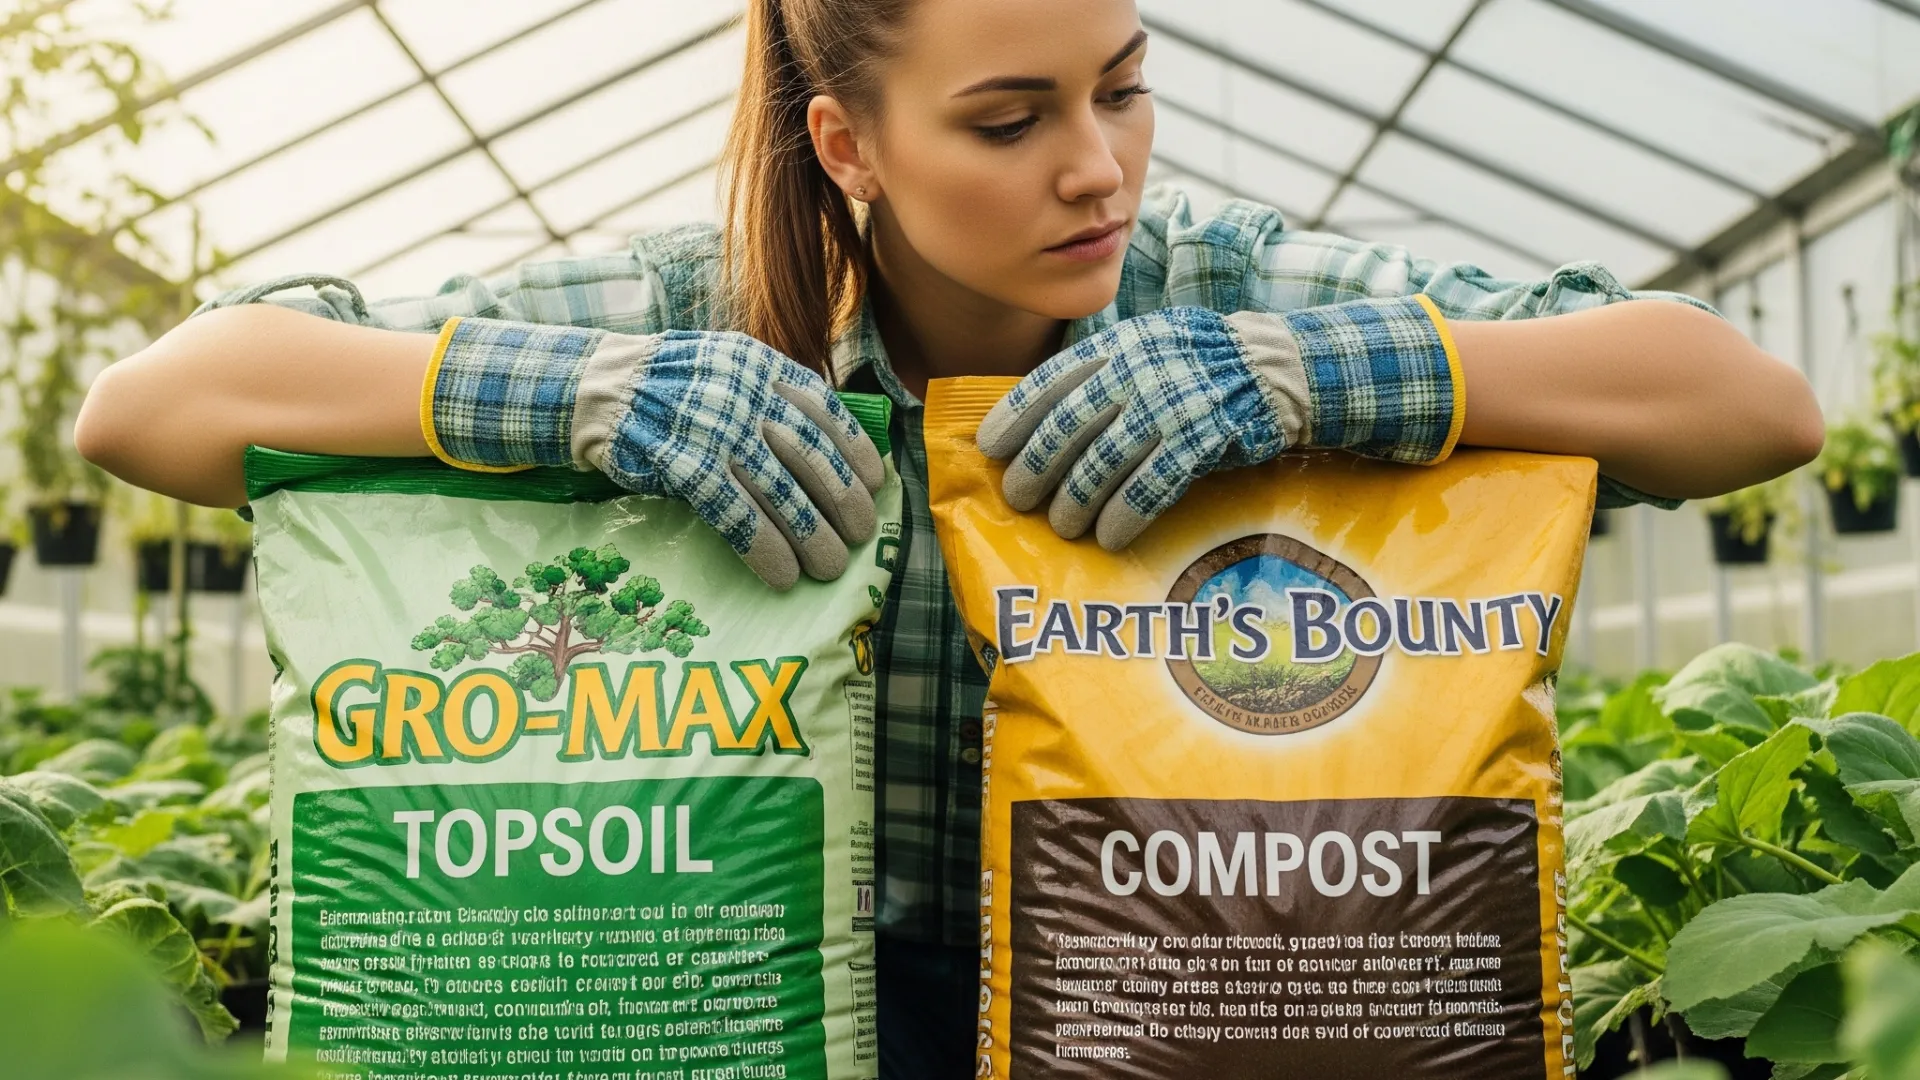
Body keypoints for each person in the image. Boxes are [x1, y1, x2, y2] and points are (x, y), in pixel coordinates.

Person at [75, 0, 1823, 1075]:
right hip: (766, 1013)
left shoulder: (1224, 296)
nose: (1100, 172)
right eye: (1012, 120)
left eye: (1121, 90)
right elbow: (154, 408)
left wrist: (1317, 373)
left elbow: (1741, 402)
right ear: (849, 142)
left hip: (1194, 1003)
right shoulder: (701, 314)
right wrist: (573, 396)